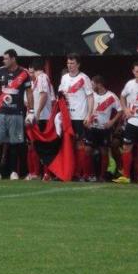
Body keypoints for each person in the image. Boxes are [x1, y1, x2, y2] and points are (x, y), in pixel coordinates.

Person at [0, 49, 34, 181]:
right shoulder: (0, 71)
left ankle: (13, 171)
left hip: (16, 112)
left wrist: (31, 111)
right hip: (1, 111)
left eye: (6, 58)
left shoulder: (24, 73)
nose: (3, 60)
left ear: (13, 59)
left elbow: (29, 92)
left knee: (15, 143)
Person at [58, 53, 94, 181]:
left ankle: (80, 173)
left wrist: (89, 115)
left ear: (78, 64)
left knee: (80, 145)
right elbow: (61, 96)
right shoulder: (64, 78)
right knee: (67, 144)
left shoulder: (84, 78)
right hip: (67, 117)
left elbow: (90, 97)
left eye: (72, 63)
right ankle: (68, 172)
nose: (70, 66)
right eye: (68, 63)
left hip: (80, 116)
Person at [86, 75, 122, 182]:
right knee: (87, 150)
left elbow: (120, 110)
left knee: (104, 151)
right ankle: (90, 174)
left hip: (104, 129)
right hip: (92, 127)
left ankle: (102, 176)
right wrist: (87, 119)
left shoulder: (111, 96)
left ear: (99, 85)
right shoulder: (91, 95)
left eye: (93, 84)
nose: (91, 86)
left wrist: (112, 122)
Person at [28, 58, 56, 179]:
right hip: (39, 117)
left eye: (30, 72)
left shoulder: (42, 78)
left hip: (43, 117)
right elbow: (53, 99)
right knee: (35, 145)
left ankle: (46, 173)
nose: (30, 74)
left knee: (43, 146)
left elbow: (44, 95)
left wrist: (38, 113)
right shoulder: (37, 81)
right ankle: (38, 173)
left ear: (35, 69)